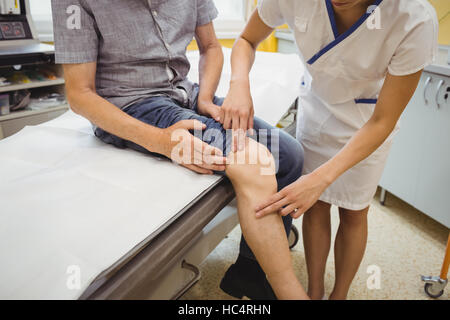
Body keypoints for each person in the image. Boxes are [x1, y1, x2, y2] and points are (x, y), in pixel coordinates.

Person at [51, 0, 307, 300]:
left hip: (185, 93)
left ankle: (249, 273)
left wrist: (207, 98)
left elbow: (211, 46)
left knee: (289, 155)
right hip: (135, 104)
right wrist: (160, 141)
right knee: (253, 161)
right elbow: (80, 94)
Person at [227, 0, 438, 299]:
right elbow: (246, 39)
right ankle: (315, 289)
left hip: (369, 123)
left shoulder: (413, 19)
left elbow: (383, 121)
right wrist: (239, 84)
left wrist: (320, 178)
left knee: (353, 211)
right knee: (317, 206)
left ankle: (339, 294)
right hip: (317, 112)